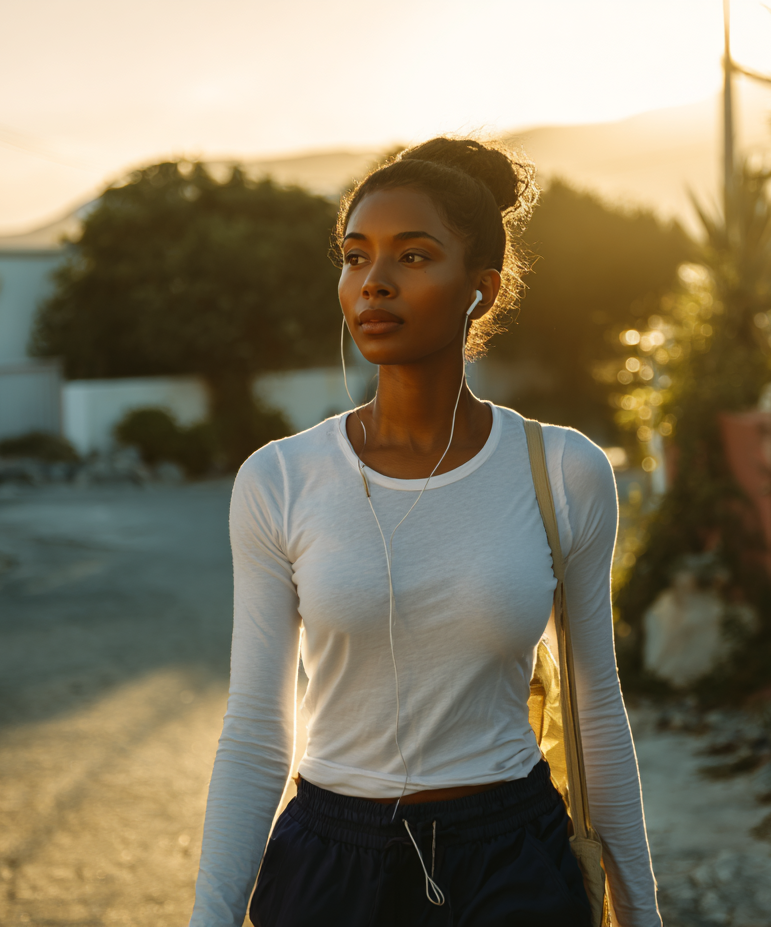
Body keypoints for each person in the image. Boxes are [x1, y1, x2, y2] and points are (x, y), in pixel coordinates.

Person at [188, 137, 661, 927]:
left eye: (412, 256)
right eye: (354, 256)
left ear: (481, 289)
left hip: (513, 858)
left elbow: (595, 704)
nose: (373, 282)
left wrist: (641, 913)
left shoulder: (563, 471)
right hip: (329, 866)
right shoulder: (279, 480)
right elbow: (255, 732)